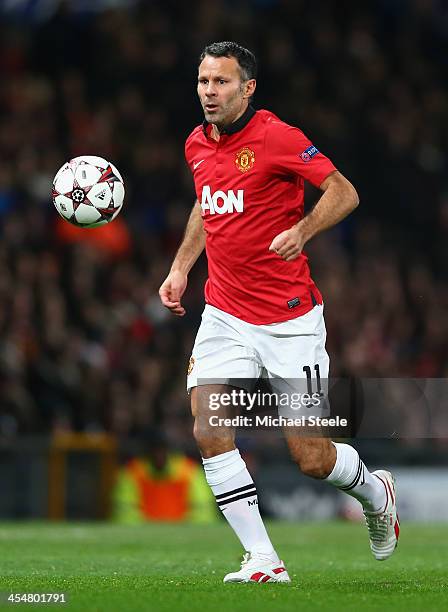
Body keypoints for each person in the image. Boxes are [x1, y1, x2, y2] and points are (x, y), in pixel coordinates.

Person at [159, 41, 399, 583]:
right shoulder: (197, 143)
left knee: (312, 458)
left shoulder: (276, 137)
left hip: (290, 320)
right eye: (203, 82)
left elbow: (345, 192)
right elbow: (206, 200)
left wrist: (302, 229)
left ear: (247, 88)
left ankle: (374, 489)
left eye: (221, 82)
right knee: (209, 427)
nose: (209, 93)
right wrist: (180, 269)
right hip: (223, 313)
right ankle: (263, 559)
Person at [112, 430, 217, 524]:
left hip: (184, 534)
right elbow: (126, 513)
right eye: (154, 450)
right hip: (146, 534)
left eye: (162, 450)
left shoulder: (189, 471)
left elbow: (203, 511)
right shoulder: (132, 472)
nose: (158, 455)